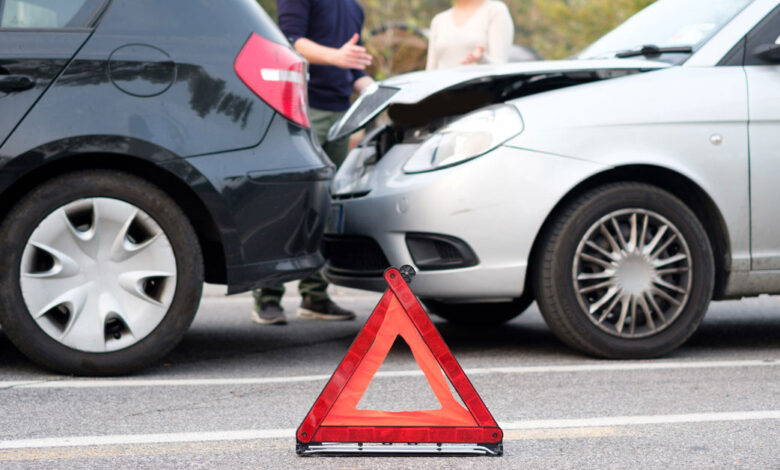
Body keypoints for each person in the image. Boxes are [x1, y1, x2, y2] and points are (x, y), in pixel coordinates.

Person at [251, 0, 375, 325]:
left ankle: (315, 296)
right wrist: (336, 57)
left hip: (340, 114)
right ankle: (267, 296)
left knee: (326, 205)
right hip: (301, 107)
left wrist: (372, 88)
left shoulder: (354, 7)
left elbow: (352, 66)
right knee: (286, 202)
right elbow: (290, 42)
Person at [426, 0, 514, 71]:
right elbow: (430, 71)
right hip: (442, 91)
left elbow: (501, 68)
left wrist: (482, 59)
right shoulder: (439, 20)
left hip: (478, 90)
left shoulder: (495, 10)